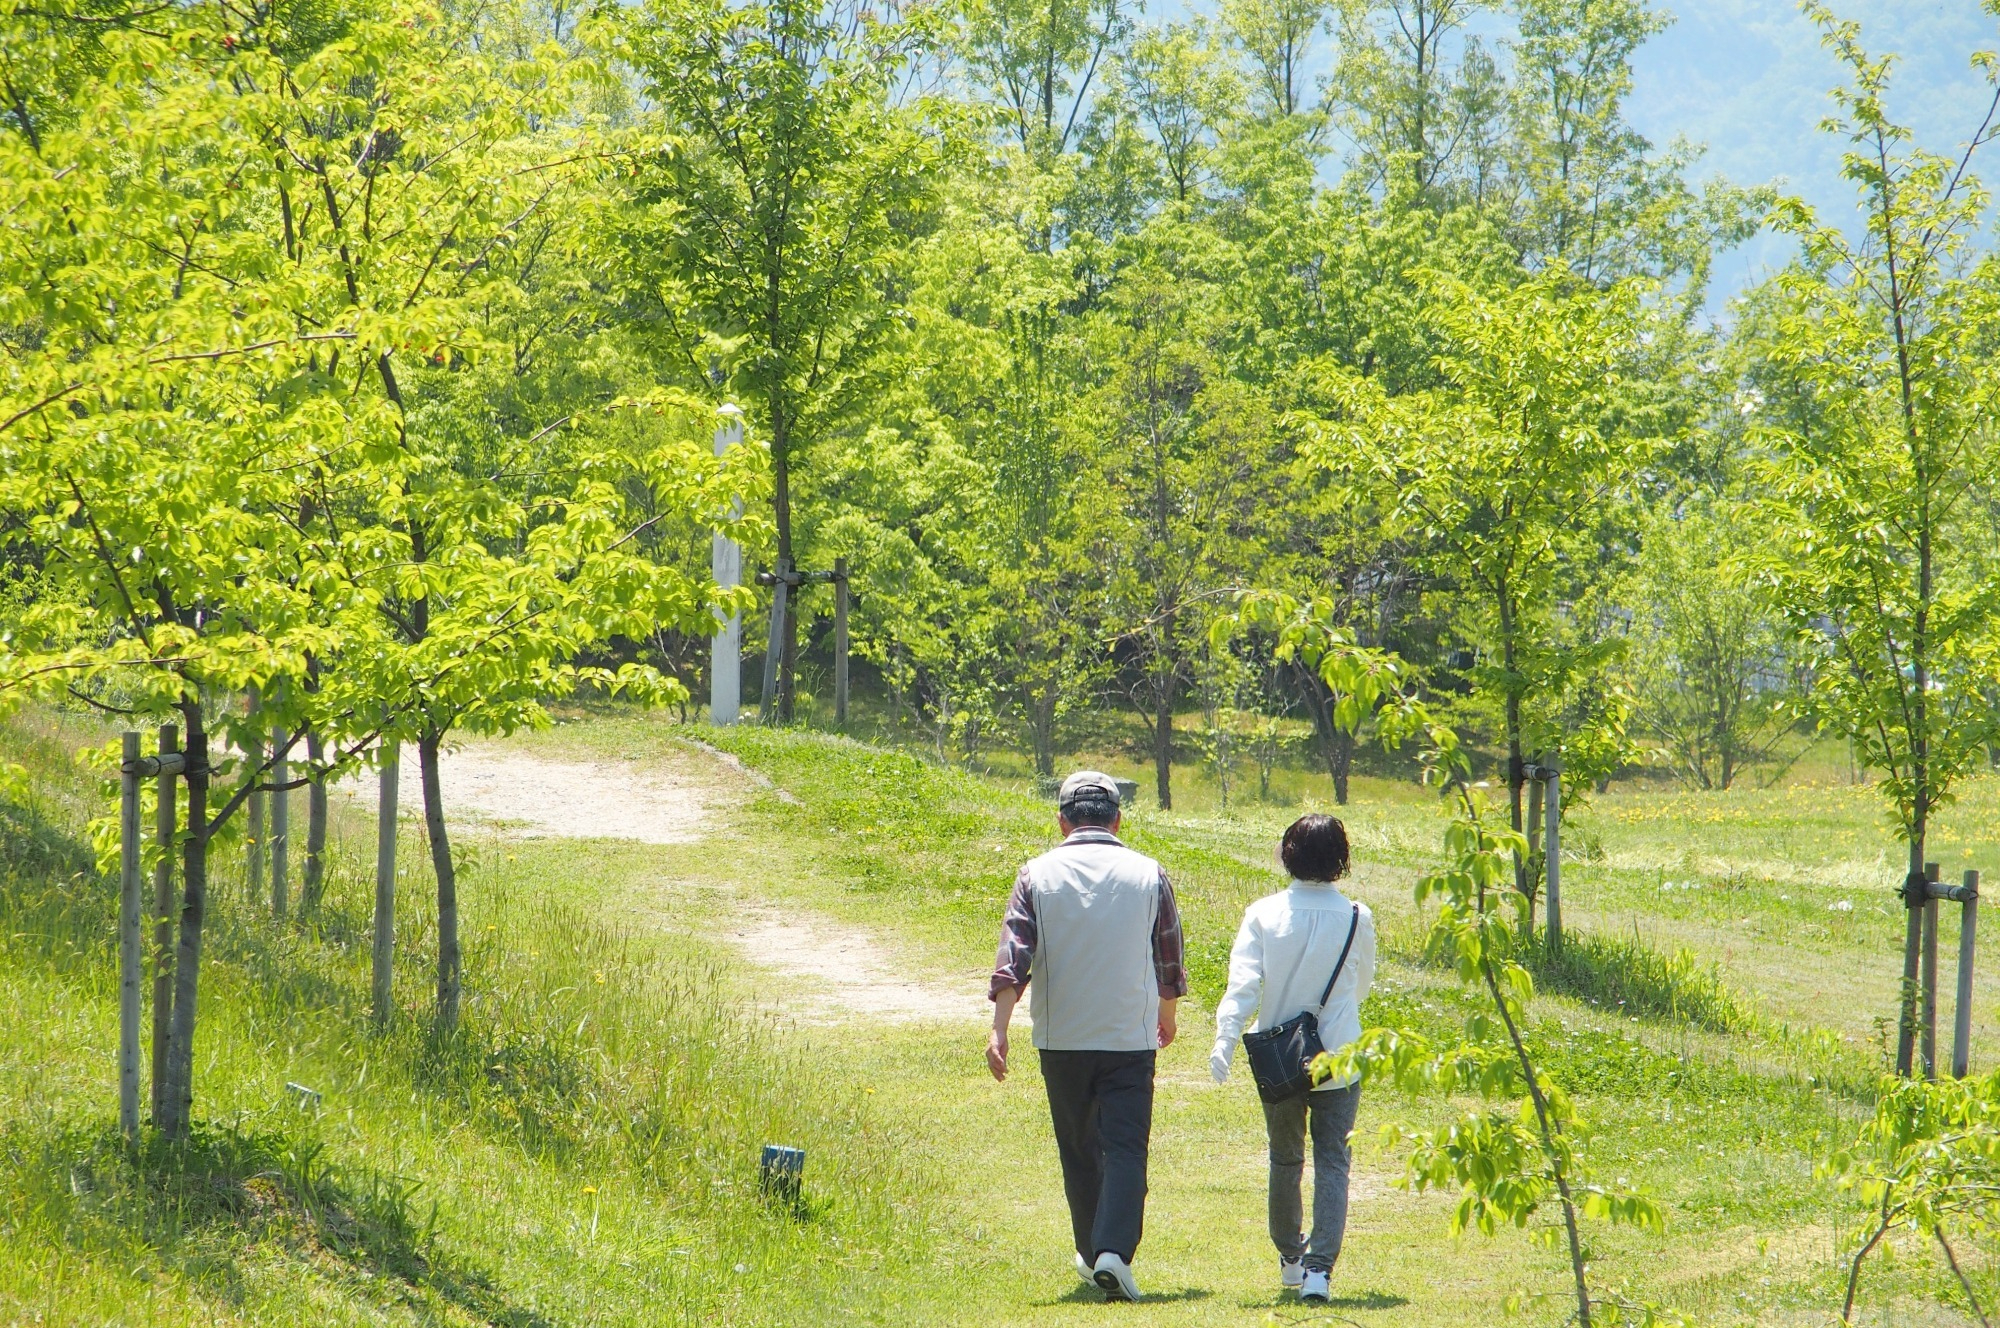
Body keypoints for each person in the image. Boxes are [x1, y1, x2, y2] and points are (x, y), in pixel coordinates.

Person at [987, 770, 1188, 1304]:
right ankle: (1112, 1254)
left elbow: (1015, 959)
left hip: (1062, 1035)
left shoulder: (1036, 874)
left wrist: (999, 1029)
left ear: (1061, 822)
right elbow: (1168, 954)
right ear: (1118, 819)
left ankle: (1095, 1249)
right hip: (1129, 1033)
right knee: (1125, 1147)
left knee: (1078, 1147)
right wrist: (1166, 1013)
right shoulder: (1150, 874)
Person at [1210, 813, 1376, 1305]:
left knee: (1285, 1158)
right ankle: (1320, 1270)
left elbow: (1242, 985)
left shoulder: (1263, 912)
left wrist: (1225, 1038)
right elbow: (1361, 985)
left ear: (1288, 854)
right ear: (1341, 858)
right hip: (1340, 1053)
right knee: (1333, 1162)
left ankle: (1290, 1258)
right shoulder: (1355, 917)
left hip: (1281, 1058)